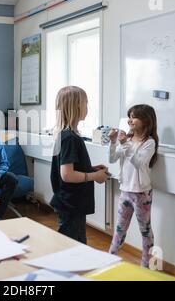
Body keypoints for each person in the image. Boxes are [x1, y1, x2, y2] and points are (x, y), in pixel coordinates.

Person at [50, 86, 109, 244]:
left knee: (75, 244)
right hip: (71, 203)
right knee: (73, 246)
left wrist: (91, 169)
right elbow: (67, 175)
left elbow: (71, 167)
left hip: (70, 202)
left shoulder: (66, 135)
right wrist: (94, 176)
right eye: (85, 103)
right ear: (76, 106)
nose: (87, 107)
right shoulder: (69, 138)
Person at [108, 104, 159, 268]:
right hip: (125, 191)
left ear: (146, 121)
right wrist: (113, 142)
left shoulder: (149, 142)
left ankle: (148, 266)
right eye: (129, 116)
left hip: (141, 194)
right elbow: (112, 159)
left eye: (134, 117)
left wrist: (125, 144)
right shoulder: (128, 139)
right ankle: (110, 258)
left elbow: (138, 162)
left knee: (145, 231)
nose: (130, 120)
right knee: (119, 229)